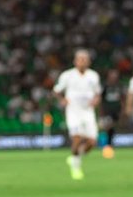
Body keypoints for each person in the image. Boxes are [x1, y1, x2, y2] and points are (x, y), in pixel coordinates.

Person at [53, 49, 102, 180]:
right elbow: (56, 90)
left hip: (88, 112)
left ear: (89, 62)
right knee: (77, 138)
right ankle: (76, 168)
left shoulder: (93, 76)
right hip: (73, 111)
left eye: (85, 59)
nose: (82, 62)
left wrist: (96, 100)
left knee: (92, 142)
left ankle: (75, 157)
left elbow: (98, 93)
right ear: (75, 61)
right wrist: (62, 100)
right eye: (80, 59)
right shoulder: (67, 75)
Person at [99, 69, 124, 159]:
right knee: (106, 128)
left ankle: (109, 145)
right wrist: (101, 111)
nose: (114, 77)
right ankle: (105, 146)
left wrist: (122, 111)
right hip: (107, 110)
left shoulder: (119, 86)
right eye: (112, 75)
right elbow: (101, 100)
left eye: (115, 75)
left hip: (116, 111)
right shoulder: (105, 86)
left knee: (112, 129)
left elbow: (122, 99)